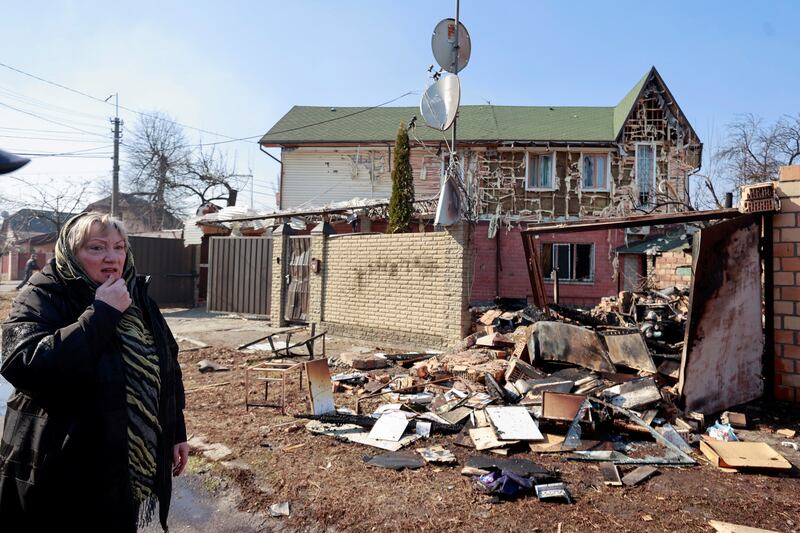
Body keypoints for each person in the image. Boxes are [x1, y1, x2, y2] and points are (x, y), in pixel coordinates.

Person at [0, 212, 188, 532]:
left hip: (123, 464)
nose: (112, 257)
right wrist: (101, 315)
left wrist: (175, 431)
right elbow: (23, 363)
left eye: (119, 247)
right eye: (97, 248)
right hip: (60, 468)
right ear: (71, 253)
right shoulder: (44, 293)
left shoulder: (136, 295)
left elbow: (166, 365)